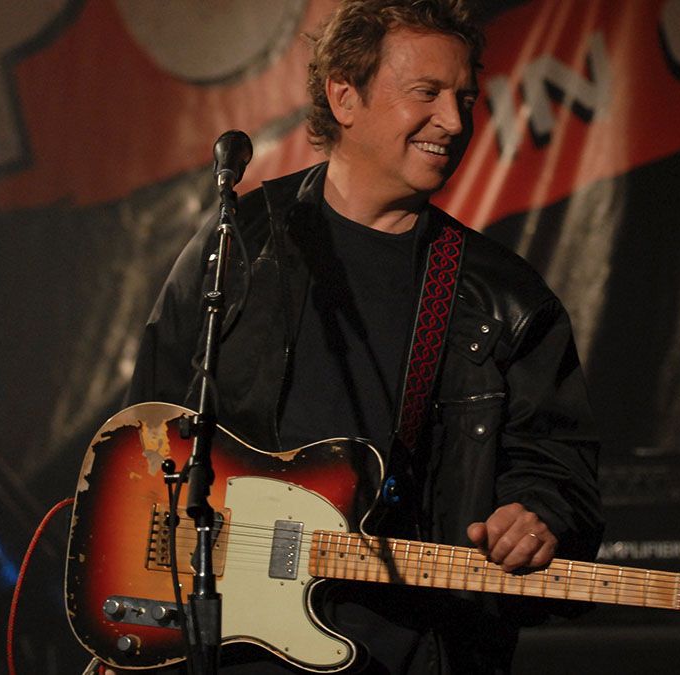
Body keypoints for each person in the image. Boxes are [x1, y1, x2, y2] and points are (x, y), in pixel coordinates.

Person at [127, 1, 604, 672]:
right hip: (231, 642)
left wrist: (538, 512)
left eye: (465, 97)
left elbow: (561, 471)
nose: (456, 121)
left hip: (413, 650)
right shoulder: (244, 241)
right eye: (427, 93)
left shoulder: (505, 298)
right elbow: (145, 419)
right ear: (344, 96)